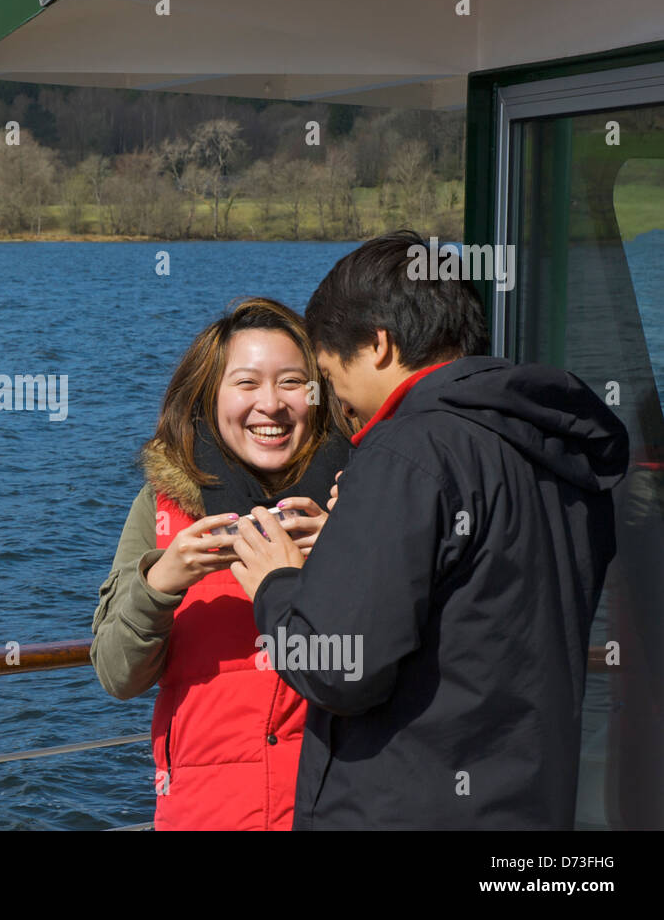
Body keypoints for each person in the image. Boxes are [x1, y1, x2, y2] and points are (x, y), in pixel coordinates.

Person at [229, 230, 629, 829]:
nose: (339, 404)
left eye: (332, 377)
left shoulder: (407, 450)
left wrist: (276, 582)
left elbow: (338, 668)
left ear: (380, 345)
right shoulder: (558, 455)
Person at [91, 297, 353, 830]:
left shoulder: (358, 493)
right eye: (247, 383)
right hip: (203, 815)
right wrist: (161, 581)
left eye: (291, 382)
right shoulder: (161, 507)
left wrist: (349, 547)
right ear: (209, 398)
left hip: (337, 809)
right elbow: (118, 675)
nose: (271, 405)